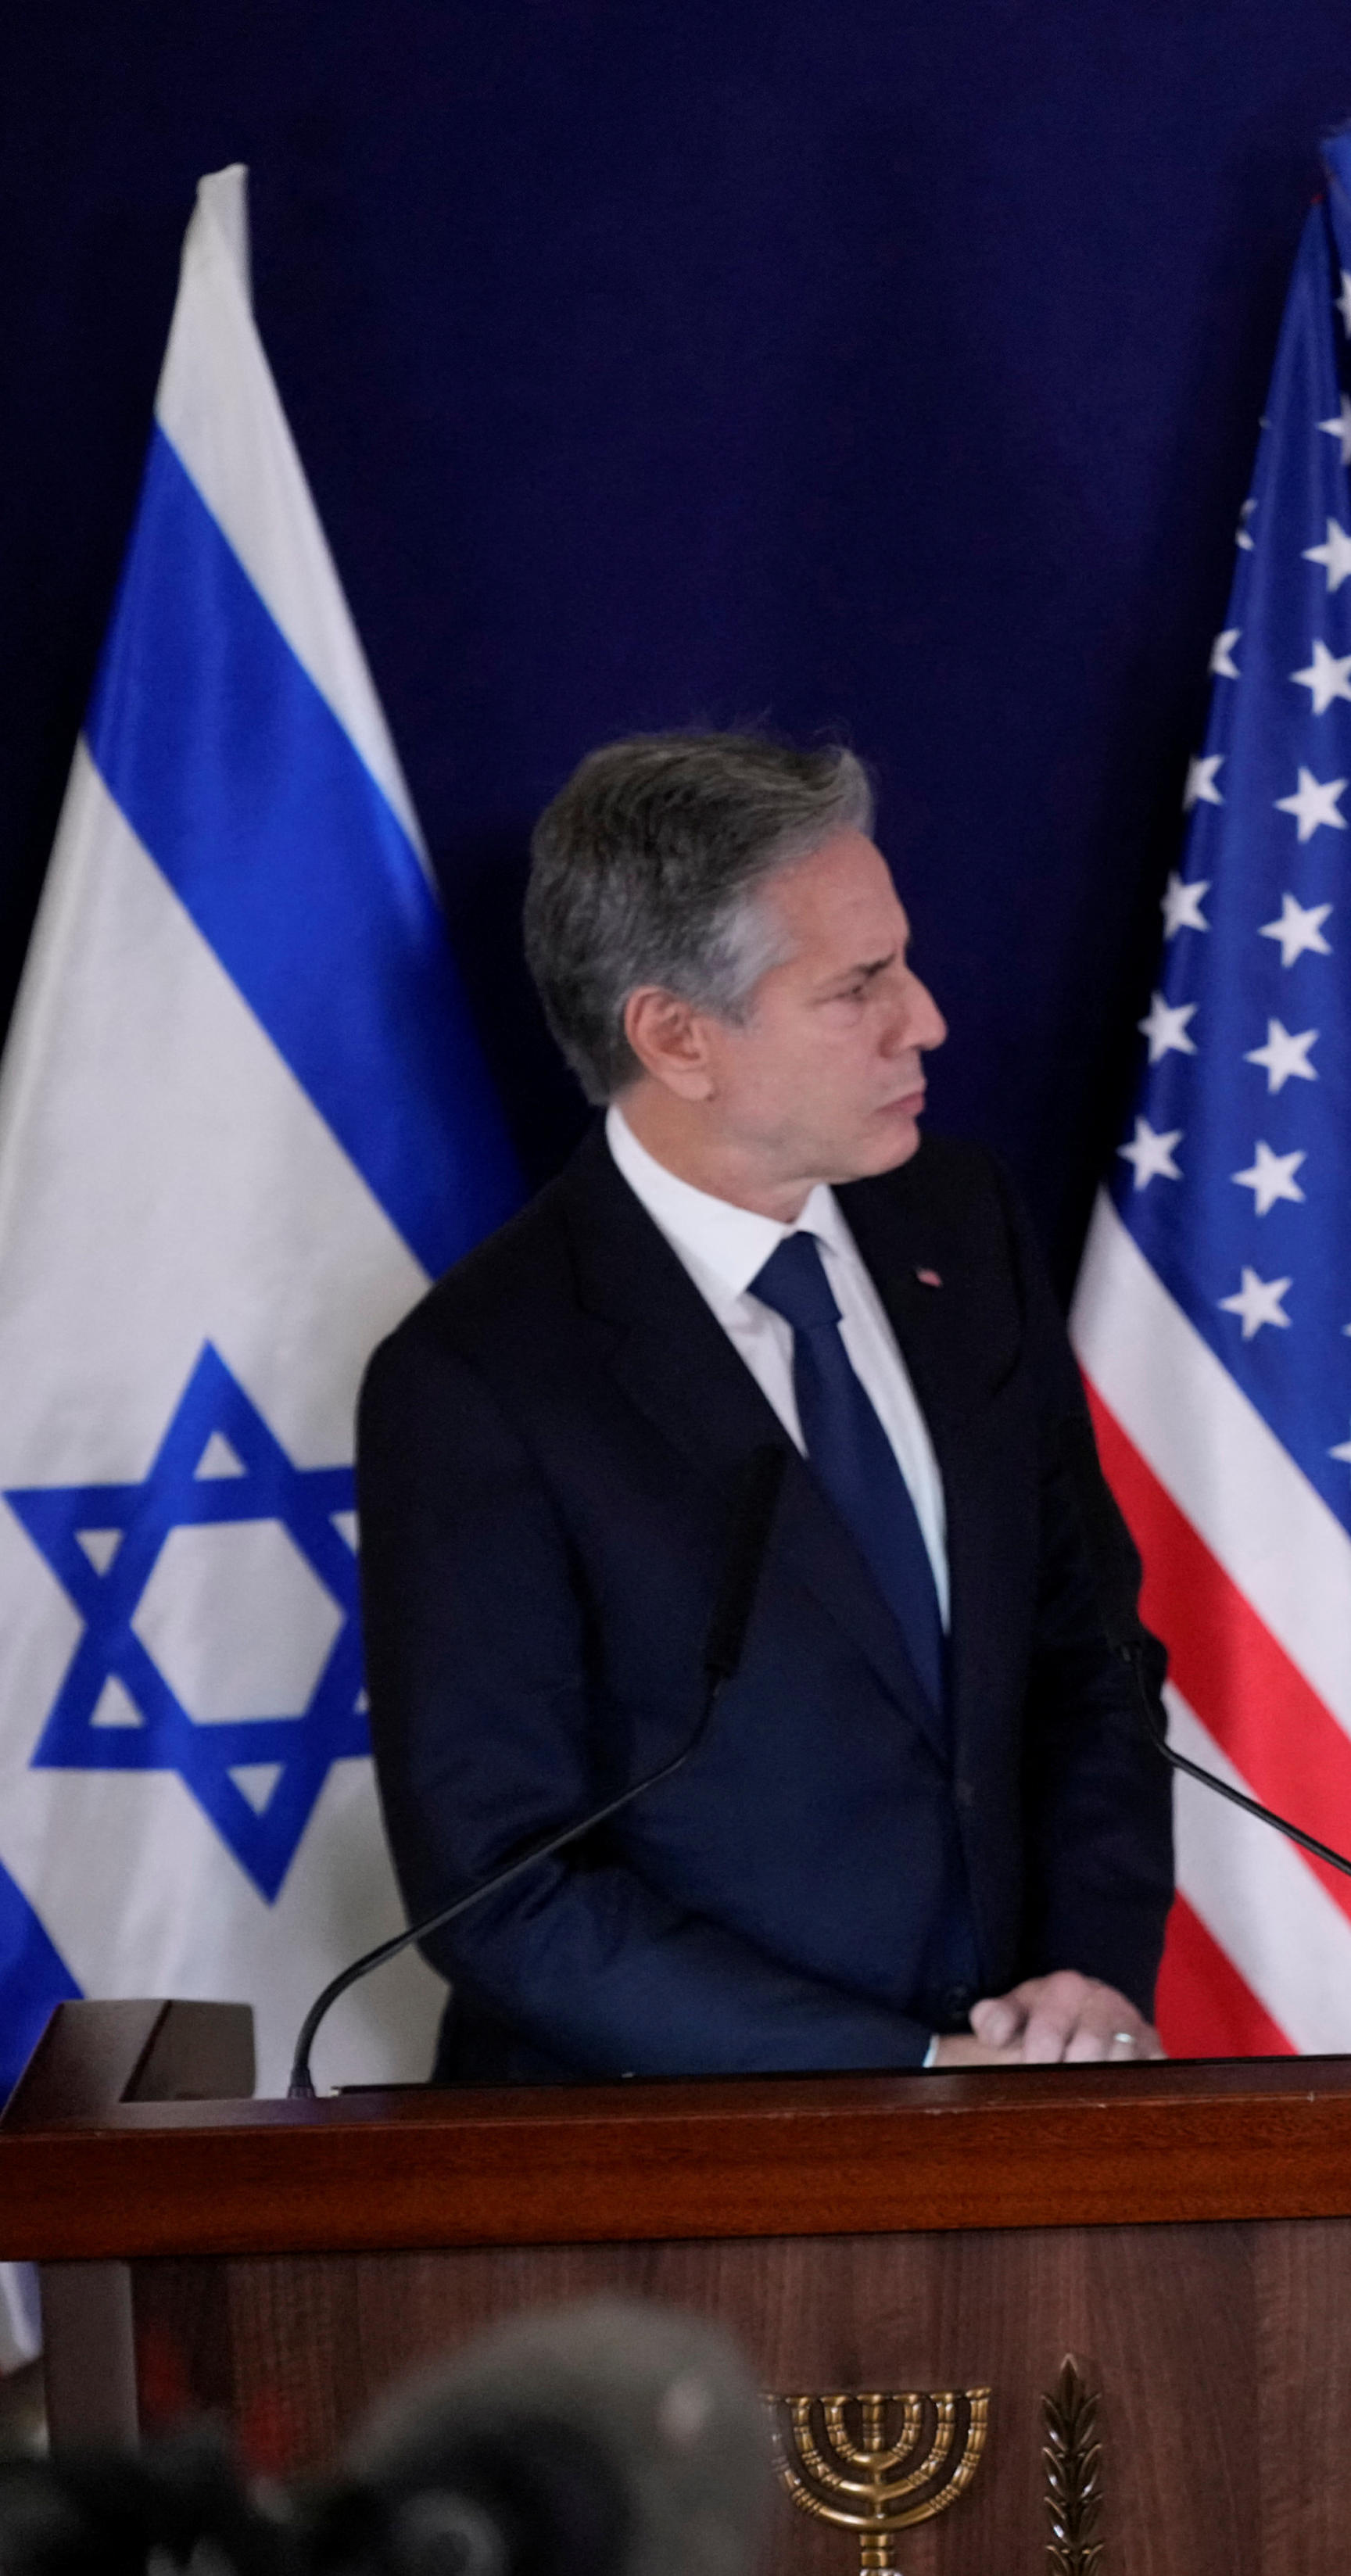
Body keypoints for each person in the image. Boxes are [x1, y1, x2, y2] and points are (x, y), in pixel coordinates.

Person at [360, 732, 1174, 2080]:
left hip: (1032, 2127)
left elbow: (1090, 1662)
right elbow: (502, 1885)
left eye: (900, 962)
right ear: (678, 1036)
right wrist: (900, 2065)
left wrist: (1086, 1978)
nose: (926, 1019)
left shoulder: (960, 1229)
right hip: (671, 2174)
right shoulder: (479, 1382)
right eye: (860, 987)